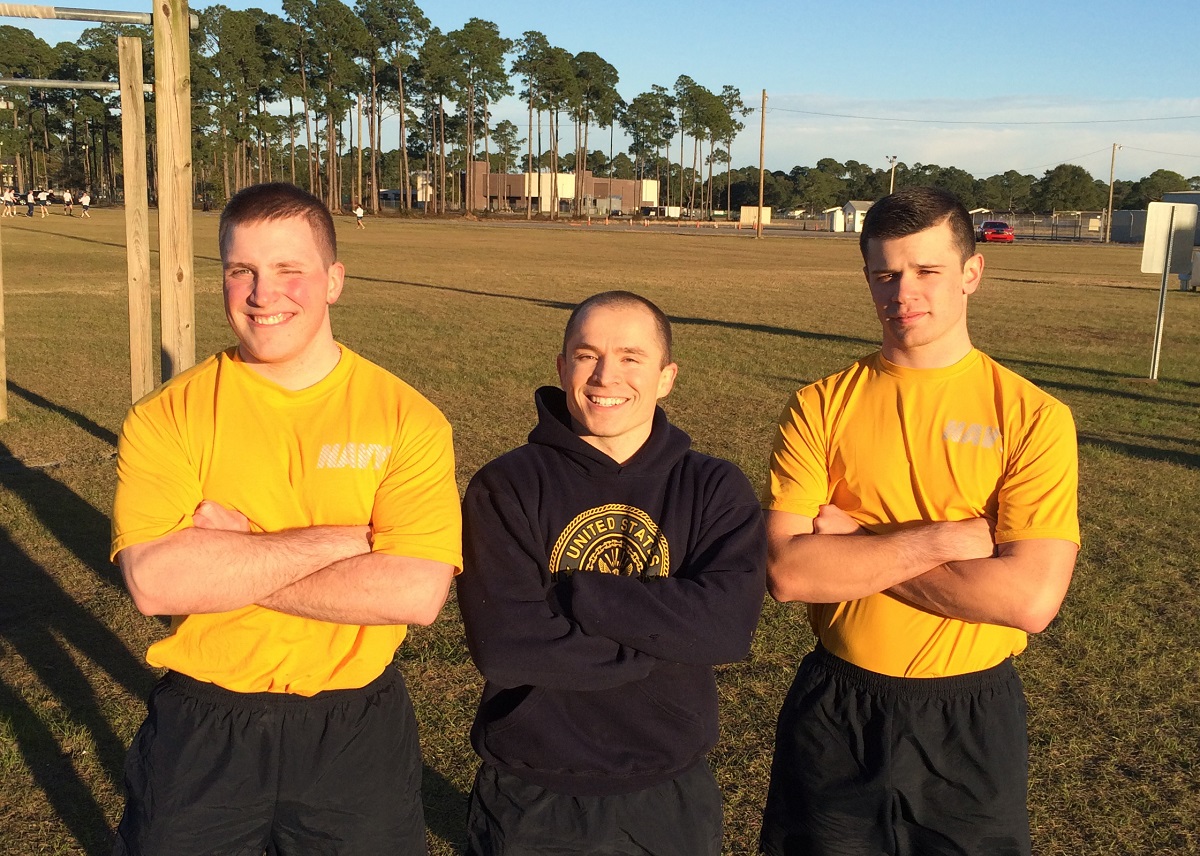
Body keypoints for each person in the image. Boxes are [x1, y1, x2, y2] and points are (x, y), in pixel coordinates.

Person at [110, 182, 462, 855]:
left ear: (333, 281)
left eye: (289, 271)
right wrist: (348, 543)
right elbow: (156, 583)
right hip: (205, 725)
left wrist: (235, 558)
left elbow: (414, 592)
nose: (263, 294)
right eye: (241, 270)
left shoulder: (406, 419)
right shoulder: (167, 416)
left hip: (355, 728)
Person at [758, 186, 1080, 856]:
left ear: (971, 273)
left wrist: (856, 544)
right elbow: (790, 573)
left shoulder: (1031, 416)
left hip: (971, 715)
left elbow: (1028, 600)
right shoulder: (819, 406)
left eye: (927, 271)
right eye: (885, 274)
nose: (903, 292)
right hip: (839, 704)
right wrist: (939, 540)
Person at [457, 290, 767, 856]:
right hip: (531, 790)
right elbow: (505, 646)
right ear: (561, 366)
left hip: (668, 787)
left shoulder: (714, 487)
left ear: (667, 376)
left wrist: (580, 595)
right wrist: (662, 641)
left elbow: (726, 628)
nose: (605, 377)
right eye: (586, 355)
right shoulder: (505, 486)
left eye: (631, 358)